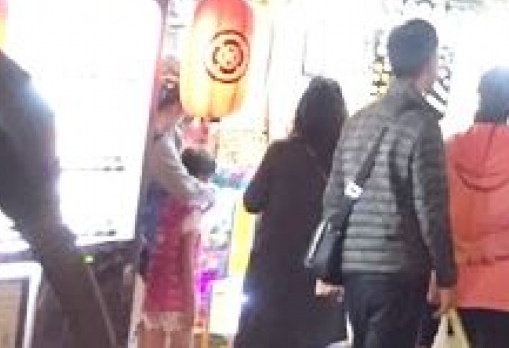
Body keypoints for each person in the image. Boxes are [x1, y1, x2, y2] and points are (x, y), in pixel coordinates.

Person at [323, 19, 457, 348]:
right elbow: (431, 208)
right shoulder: (422, 125)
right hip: (398, 268)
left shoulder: (357, 122)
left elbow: (334, 197)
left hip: (354, 268)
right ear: (429, 62)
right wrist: (446, 274)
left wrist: (333, 263)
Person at [234, 77, 350, 348]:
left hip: (273, 270)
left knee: (264, 337)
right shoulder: (344, 161)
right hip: (318, 272)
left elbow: (252, 201)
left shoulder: (281, 152)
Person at [445, 67, 509, 348]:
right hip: (505, 290)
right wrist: (482, 250)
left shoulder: (449, 148)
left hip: (453, 283)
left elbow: (432, 216)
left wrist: (463, 251)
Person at [138, 147, 215, 348]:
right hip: (178, 299)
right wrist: (192, 304)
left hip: (154, 296)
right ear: (198, 178)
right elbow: (186, 263)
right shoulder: (193, 212)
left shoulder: (162, 206)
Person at [138, 79, 212, 278]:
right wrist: (210, 194)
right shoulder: (159, 142)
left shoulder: (162, 135)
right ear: (177, 106)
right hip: (150, 238)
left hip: (145, 235)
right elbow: (186, 190)